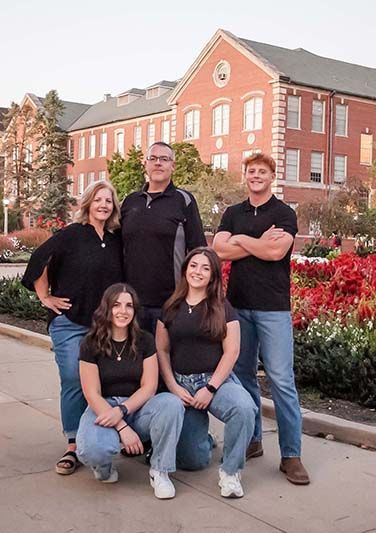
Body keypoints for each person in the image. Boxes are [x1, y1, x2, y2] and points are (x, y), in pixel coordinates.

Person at [212, 153, 310, 485]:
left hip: (273, 308)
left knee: (281, 380)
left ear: (272, 176)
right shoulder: (233, 213)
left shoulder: (284, 213)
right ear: (246, 176)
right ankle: (252, 439)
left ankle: (291, 455)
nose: (256, 176)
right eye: (251, 171)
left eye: (262, 172)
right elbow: (219, 250)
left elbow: (275, 252)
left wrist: (240, 240)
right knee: (243, 377)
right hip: (238, 307)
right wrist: (255, 242)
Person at [21, 181, 123, 476]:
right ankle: (73, 443)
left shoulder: (116, 240)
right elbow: (39, 260)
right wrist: (44, 297)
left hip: (104, 326)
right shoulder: (72, 234)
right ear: (87, 203)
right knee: (72, 378)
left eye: (108, 201)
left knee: (105, 382)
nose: (103, 205)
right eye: (98, 200)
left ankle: (99, 438)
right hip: (69, 323)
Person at [156, 247, 257, 498]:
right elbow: (162, 350)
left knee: (244, 408)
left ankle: (231, 472)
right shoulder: (171, 306)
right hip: (182, 386)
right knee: (193, 461)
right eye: (193, 266)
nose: (197, 272)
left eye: (205, 268)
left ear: (213, 275)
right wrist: (173, 387)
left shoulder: (222, 307)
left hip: (216, 382)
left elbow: (232, 351)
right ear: (185, 270)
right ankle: (206, 440)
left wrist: (210, 388)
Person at [75, 284, 184, 499]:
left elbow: (149, 387)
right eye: (116, 305)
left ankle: (160, 471)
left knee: (172, 404)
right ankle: (104, 468)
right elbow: (91, 393)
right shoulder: (90, 343)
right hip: (104, 408)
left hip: (138, 407)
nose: (122, 311)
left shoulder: (145, 340)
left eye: (129, 306)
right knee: (91, 450)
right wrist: (121, 426)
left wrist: (123, 410)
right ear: (106, 308)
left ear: (135, 310)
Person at [119, 141, 206, 334]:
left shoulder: (184, 200)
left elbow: (199, 250)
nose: (158, 163)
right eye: (153, 158)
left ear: (173, 166)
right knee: (135, 353)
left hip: (170, 302)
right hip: (131, 302)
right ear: (145, 164)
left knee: (164, 353)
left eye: (164, 159)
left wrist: (195, 296)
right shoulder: (130, 202)